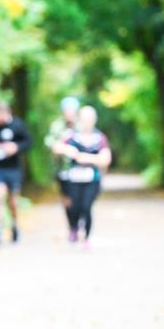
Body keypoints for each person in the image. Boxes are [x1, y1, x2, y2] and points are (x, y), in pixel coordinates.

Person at [51, 106, 112, 247]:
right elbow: (56, 147)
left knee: (86, 206)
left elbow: (106, 159)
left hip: (92, 179)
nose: (87, 122)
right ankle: (74, 228)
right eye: (84, 119)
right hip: (73, 179)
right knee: (74, 207)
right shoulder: (72, 137)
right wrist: (67, 149)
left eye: (89, 119)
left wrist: (86, 158)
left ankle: (86, 237)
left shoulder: (99, 138)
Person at [0, 100, 32, 245]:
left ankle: (15, 225)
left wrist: (16, 147)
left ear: (6, 113)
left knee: (13, 201)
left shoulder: (17, 125)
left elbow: (28, 142)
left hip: (13, 168)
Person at [45, 96, 80, 227]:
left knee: (79, 199)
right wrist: (65, 149)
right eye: (67, 110)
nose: (69, 113)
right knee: (67, 199)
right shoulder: (57, 126)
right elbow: (52, 145)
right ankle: (72, 225)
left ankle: (78, 221)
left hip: (80, 169)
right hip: (63, 169)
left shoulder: (82, 125)